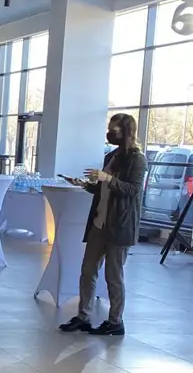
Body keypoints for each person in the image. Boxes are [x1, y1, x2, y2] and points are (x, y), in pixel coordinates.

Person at [59, 112, 146, 336]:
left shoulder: (137, 159)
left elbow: (133, 190)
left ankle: (115, 321)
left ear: (126, 132)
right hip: (99, 223)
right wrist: (86, 185)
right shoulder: (111, 156)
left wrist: (107, 178)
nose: (110, 133)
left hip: (120, 225)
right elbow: (103, 189)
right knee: (88, 271)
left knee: (113, 276)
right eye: (109, 129)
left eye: (114, 130)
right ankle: (83, 316)